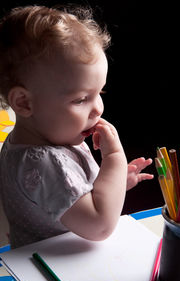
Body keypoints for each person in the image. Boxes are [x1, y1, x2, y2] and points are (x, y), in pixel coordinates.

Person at [0, 5, 153, 248]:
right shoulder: (43, 162)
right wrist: (114, 159)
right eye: (81, 99)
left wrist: (113, 182)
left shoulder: (33, 140)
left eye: (99, 92)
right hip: (53, 273)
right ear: (23, 102)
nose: (98, 109)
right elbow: (99, 225)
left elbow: (69, 198)